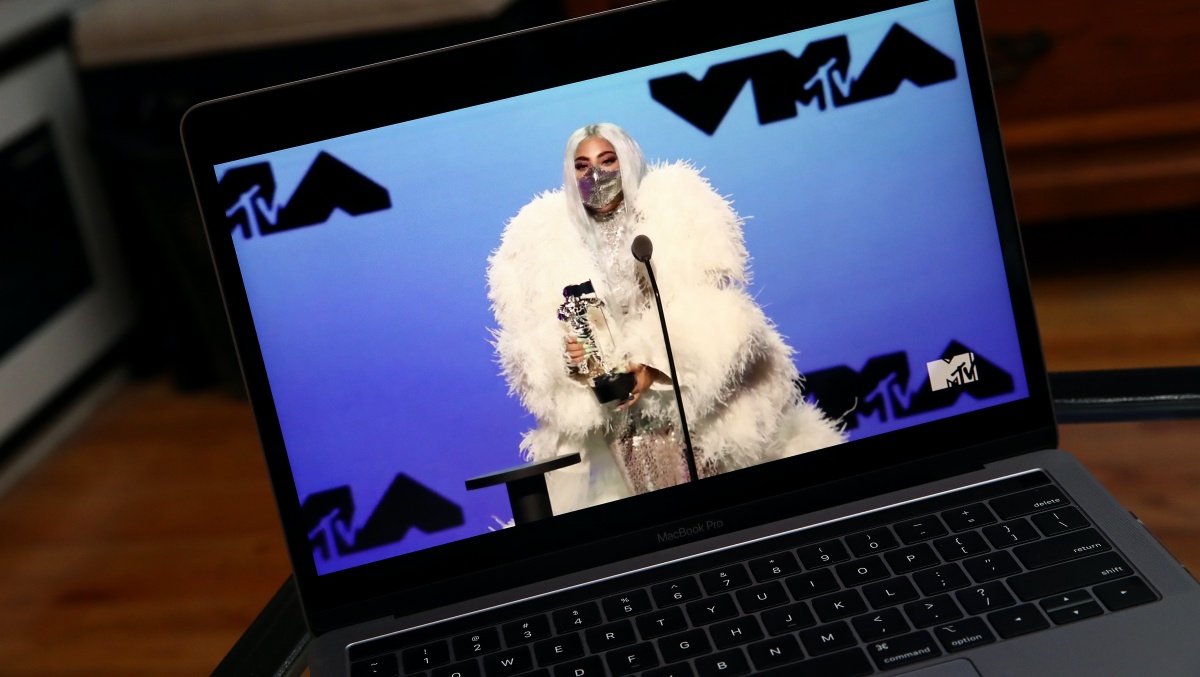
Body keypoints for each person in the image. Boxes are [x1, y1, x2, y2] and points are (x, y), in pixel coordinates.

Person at [487, 123, 844, 515]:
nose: (596, 175)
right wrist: (570, 357)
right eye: (582, 165)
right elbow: (536, 344)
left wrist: (653, 368)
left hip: (687, 398)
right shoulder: (546, 242)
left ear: (627, 160)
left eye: (608, 161)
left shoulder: (673, 215)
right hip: (620, 416)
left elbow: (714, 313)